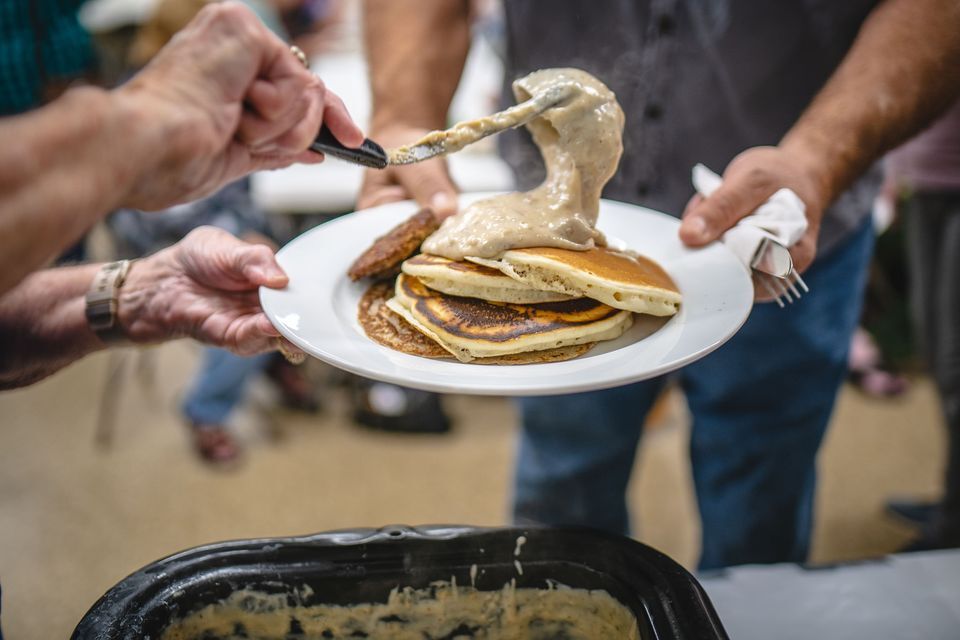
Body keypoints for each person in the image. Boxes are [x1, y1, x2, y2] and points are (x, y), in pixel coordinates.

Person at [358, 0, 960, 569]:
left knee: (760, 497)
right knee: (563, 493)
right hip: (528, 256)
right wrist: (405, 116)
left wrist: (820, 156)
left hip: (780, 227)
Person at [0, 0, 363, 385]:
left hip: (200, 240)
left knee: (268, 282)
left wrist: (143, 293)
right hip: (178, 230)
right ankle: (211, 410)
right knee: (269, 283)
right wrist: (135, 129)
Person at [884, 99, 960, 551]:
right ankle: (953, 500)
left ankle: (953, 527)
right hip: (929, 180)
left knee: (956, 367)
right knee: (935, 348)